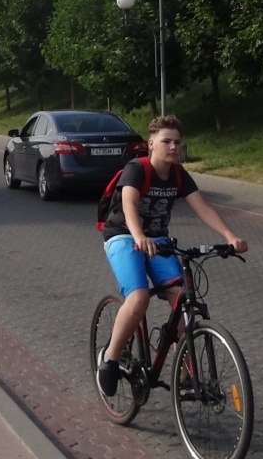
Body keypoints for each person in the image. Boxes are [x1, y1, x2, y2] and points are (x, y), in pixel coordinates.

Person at [96, 114, 247, 397]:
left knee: (182, 297)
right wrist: (139, 236)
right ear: (151, 144)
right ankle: (110, 358)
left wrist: (230, 237)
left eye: (177, 142)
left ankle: (185, 371)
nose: (173, 147)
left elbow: (203, 208)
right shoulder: (136, 169)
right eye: (166, 141)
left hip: (158, 241)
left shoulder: (179, 175)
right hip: (123, 236)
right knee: (139, 297)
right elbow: (129, 204)